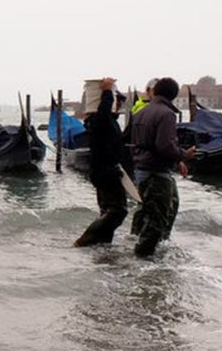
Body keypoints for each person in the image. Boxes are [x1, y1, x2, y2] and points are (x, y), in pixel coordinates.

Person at [127, 77, 196, 257]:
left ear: (155, 91)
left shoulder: (141, 112)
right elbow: (164, 146)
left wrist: (177, 159)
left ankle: (141, 247)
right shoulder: (166, 114)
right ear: (174, 95)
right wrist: (184, 155)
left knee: (148, 213)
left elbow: (134, 142)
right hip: (156, 172)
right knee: (157, 219)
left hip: (141, 169)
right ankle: (143, 259)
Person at [74, 78, 131, 248]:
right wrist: (106, 92)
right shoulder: (99, 120)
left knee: (107, 211)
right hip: (105, 172)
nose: (119, 103)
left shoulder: (107, 121)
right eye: (117, 99)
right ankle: (83, 242)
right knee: (118, 211)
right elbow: (103, 112)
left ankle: (101, 247)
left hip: (106, 171)